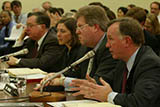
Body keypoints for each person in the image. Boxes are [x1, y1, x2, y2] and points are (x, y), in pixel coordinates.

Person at [70, 17, 160, 107]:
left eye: (111, 39)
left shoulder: (150, 64)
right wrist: (95, 87)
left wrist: (109, 96)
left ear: (127, 41)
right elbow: (107, 81)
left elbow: (141, 102)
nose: (107, 45)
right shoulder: (122, 62)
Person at [36, 5, 117, 90]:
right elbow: (77, 74)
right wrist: (58, 75)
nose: (77, 32)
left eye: (80, 26)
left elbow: (97, 83)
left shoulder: (110, 48)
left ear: (95, 27)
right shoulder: (86, 48)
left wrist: (62, 81)